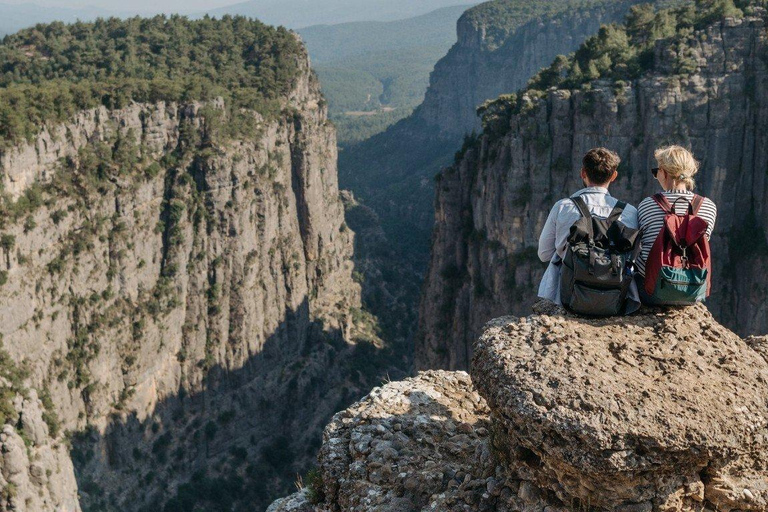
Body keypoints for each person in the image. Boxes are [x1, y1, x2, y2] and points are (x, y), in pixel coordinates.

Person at [538, 148, 640, 312]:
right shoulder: (630, 211)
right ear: (614, 176)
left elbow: (544, 254)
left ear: (583, 173)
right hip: (616, 299)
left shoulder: (563, 206)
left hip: (568, 298)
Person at [636, 145, 717, 304]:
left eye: (656, 171)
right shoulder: (709, 206)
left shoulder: (647, 205)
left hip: (652, 293)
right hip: (692, 292)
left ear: (664, 172)